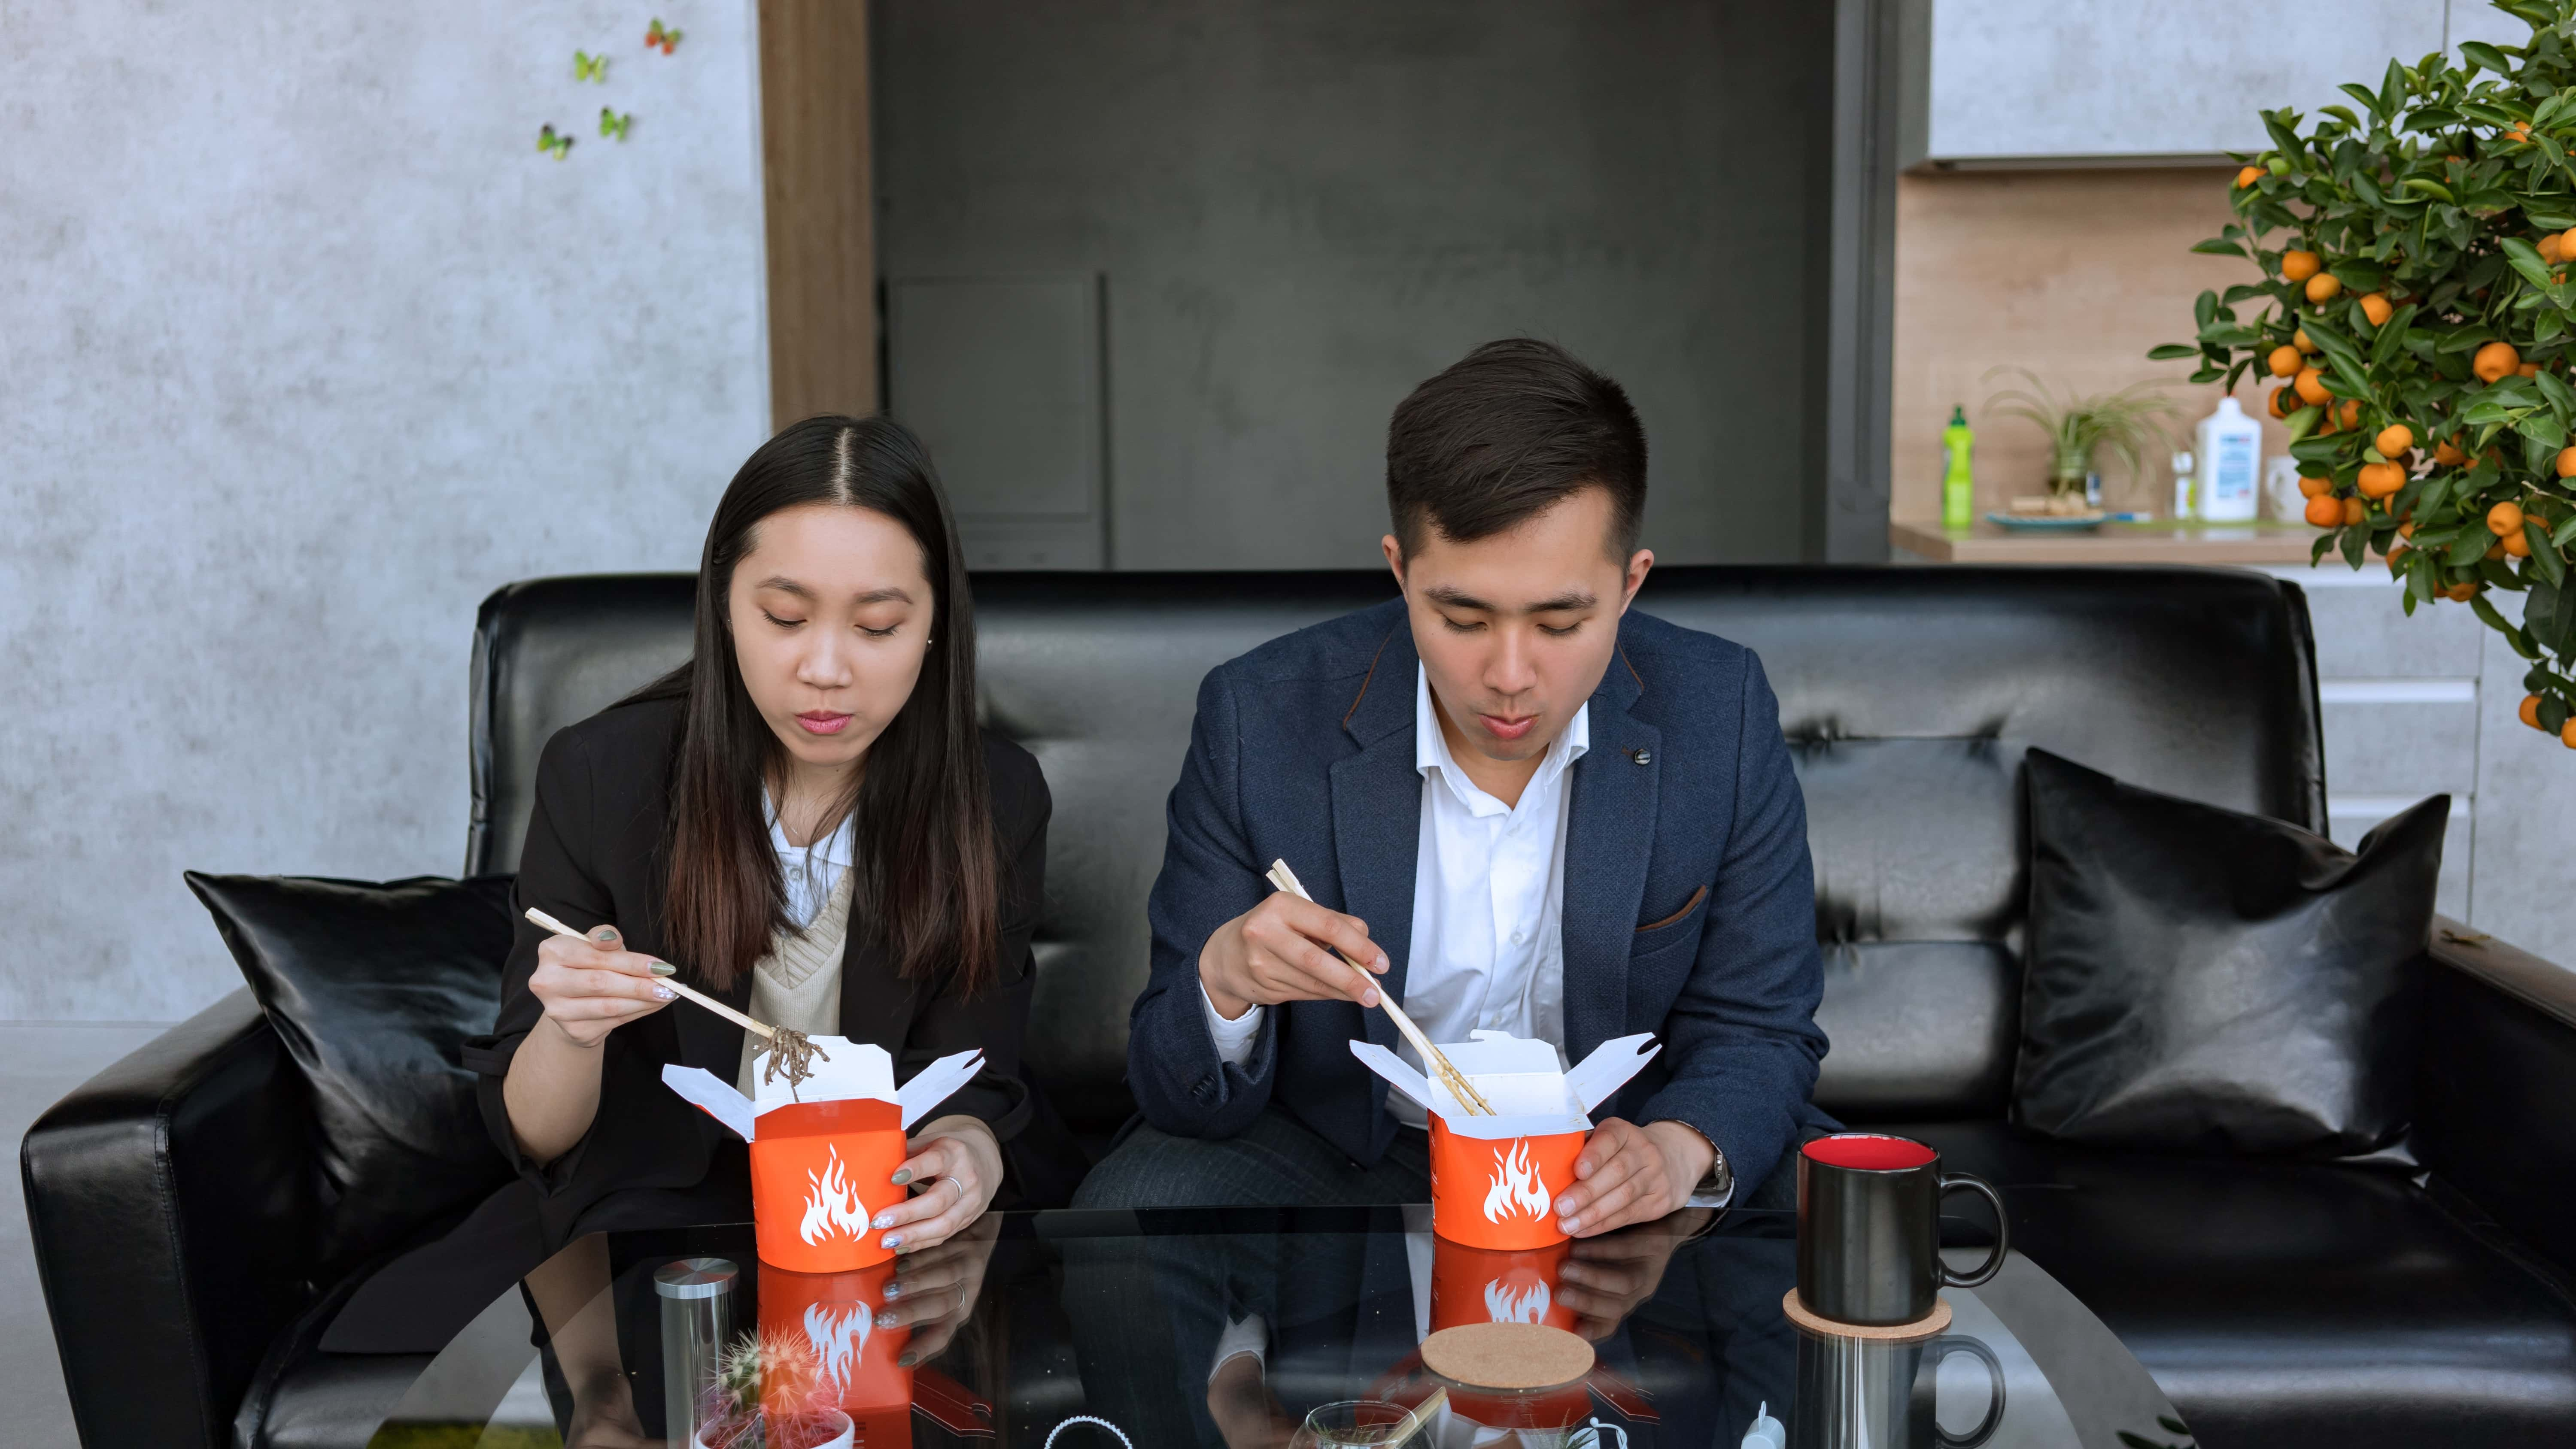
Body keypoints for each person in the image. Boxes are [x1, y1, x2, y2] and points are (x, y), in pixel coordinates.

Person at [1076, 338, 1832, 1231]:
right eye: (1462, 617)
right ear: (1401, 571)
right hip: (1348, 1147)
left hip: (1611, 1149)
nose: (1510, 675)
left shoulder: (1720, 710)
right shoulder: (1259, 718)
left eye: (1560, 620)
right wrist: (1226, 981)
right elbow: (1176, 1088)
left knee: (1825, 1218)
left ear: (1629, 586)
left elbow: (1762, 1026)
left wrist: (1675, 1146)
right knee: (1137, 1205)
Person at [466, 415, 1052, 1252]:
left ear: (934, 625)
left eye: (878, 626)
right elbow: (534, 1136)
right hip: (666, 1221)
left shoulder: (996, 795)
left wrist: (972, 1155)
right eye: (784, 616)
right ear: (725, 608)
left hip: (882, 1214)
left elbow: (976, 1076)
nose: (826, 668)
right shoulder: (601, 775)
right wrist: (570, 1027)